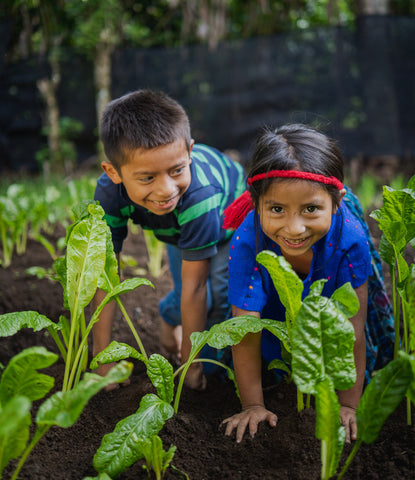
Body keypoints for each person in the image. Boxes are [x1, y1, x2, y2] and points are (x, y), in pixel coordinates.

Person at [221, 124, 395, 443]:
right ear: (256, 202)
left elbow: (352, 331)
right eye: (276, 209)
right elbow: (243, 328)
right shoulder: (248, 239)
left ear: (337, 201)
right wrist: (253, 405)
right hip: (272, 321)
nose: (295, 227)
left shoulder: (350, 239)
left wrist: (347, 406)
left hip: (329, 335)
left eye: (311, 209)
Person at [93, 89, 245, 390]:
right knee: (193, 294)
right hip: (179, 230)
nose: (166, 189)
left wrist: (191, 363)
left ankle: (211, 371)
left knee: (217, 295)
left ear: (189, 151)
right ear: (114, 172)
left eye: (177, 170)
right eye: (147, 177)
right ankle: (169, 316)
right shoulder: (109, 195)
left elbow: (196, 286)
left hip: (229, 224)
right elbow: (105, 276)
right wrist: (102, 359)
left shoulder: (200, 195)